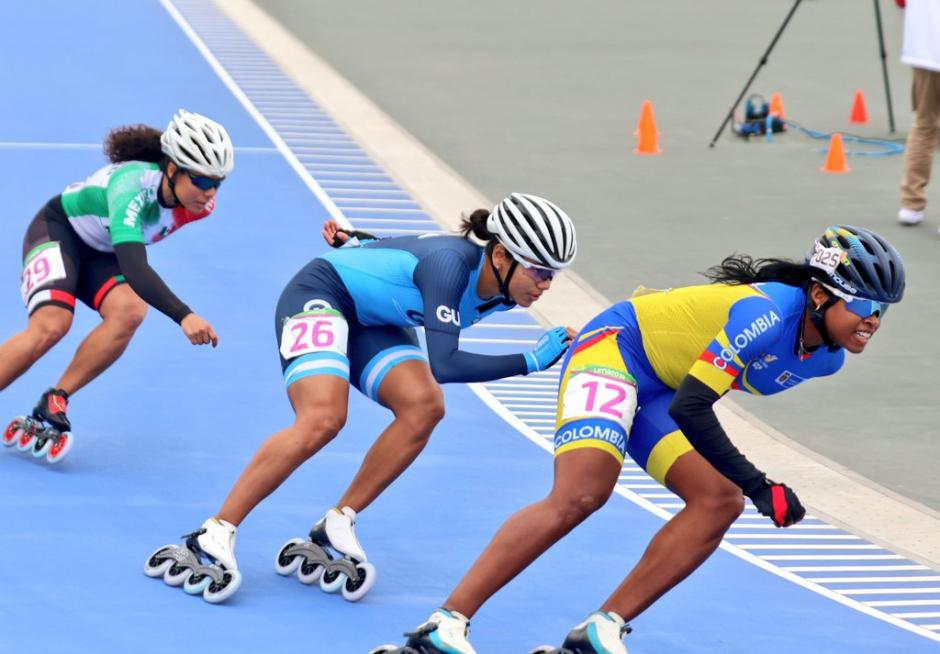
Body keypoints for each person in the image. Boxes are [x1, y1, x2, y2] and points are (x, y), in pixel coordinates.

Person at [373, 225, 905, 654]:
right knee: (582, 494)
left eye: (882, 312)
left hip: (661, 389)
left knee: (718, 502)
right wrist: (761, 484)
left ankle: (598, 632)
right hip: (615, 351)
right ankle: (443, 627)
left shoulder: (825, 359)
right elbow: (694, 406)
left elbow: (686, 396)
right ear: (818, 293)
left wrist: (745, 487)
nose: (873, 322)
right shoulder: (766, 314)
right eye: (863, 307)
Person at [144, 192, 578, 604]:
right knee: (323, 419)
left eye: (552, 275)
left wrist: (359, 241)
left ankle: (338, 521)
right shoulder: (451, 269)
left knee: (424, 408)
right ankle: (216, 531)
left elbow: (408, 248)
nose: (545, 286)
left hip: (375, 317)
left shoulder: (505, 288)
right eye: (538, 271)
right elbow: (445, 365)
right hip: (321, 293)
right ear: (499, 255)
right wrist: (531, 361)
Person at [1, 110, 233, 463]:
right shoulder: (131, 189)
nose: (210, 192)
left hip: (102, 249)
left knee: (129, 312)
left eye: (218, 182)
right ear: (171, 169)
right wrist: (183, 315)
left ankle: (56, 398)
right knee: (51, 326)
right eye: (201, 182)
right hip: (59, 231)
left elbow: (129, 256)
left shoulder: (199, 206)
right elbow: (135, 266)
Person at [897, 0, 940, 231]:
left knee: (924, 125)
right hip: (926, 49)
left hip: (925, 48)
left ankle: (911, 204)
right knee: (924, 125)